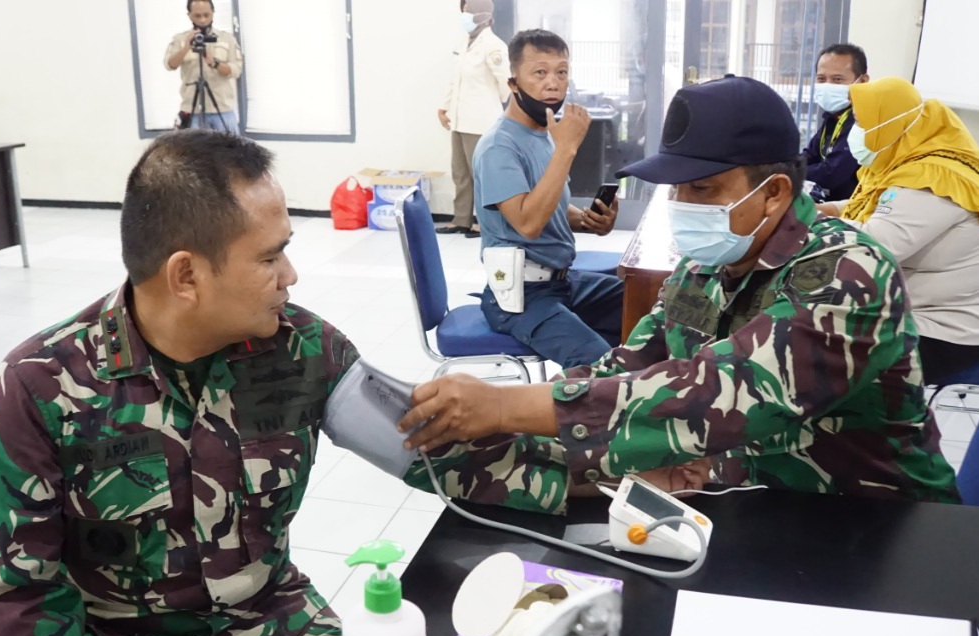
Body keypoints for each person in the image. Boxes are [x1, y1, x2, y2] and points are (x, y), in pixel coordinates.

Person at [0, 131, 576, 636]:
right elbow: (14, 605)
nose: (291, 276)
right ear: (186, 275)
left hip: (270, 630)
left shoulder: (303, 351)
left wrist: (597, 479)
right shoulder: (43, 386)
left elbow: (434, 448)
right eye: (270, 256)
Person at [399, 76, 959, 504]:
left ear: (773, 193)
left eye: (703, 189)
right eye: (676, 190)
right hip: (744, 493)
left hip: (874, 524)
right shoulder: (705, 269)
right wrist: (473, 434)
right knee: (478, 472)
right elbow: (631, 367)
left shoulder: (848, 272)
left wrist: (505, 403)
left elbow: (724, 392)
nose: (684, 207)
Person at [475, 29, 624, 369]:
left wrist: (587, 220)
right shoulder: (499, 146)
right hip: (520, 296)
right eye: (540, 72)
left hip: (562, 281)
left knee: (649, 311)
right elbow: (527, 222)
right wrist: (568, 149)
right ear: (513, 83)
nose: (553, 83)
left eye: (561, 72)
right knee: (602, 366)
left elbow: (548, 202)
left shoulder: (543, 133)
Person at [818, 77, 979, 386]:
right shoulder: (904, 163)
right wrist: (831, 210)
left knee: (820, 362)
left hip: (941, 330)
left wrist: (808, 222)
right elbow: (869, 206)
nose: (858, 132)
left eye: (865, 123)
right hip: (907, 314)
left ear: (892, 123)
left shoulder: (935, 176)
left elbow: (875, 244)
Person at [437, 0, 511, 239]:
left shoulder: (493, 45)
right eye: (464, 10)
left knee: (481, 175)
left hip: (481, 122)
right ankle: (461, 220)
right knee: (460, 173)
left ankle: (483, 222)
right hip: (459, 120)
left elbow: (506, 82)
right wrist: (444, 107)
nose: (464, 15)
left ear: (482, 14)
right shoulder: (465, 43)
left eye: (468, 10)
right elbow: (454, 81)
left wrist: (495, 104)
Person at [165, 0, 244, 134]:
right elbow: (170, 65)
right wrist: (185, 48)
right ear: (189, 15)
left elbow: (236, 70)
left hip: (222, 108)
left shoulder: (227, 39)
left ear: (213, 13)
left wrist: (214, 63)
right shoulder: (180, 39)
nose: (202, 20)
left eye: (206, 15)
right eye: (197, 15)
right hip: (192, 109)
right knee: (192, 154)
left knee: (230, 152)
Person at [803, 43, 870, 202]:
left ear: (862, 81)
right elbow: (810, 155)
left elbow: (832, 174)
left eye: (837, 79)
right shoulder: (833, 117)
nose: (827, 85)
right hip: (828, 203)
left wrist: (790, 171)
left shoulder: (864, 120)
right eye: (821, 79)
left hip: (854, 211)